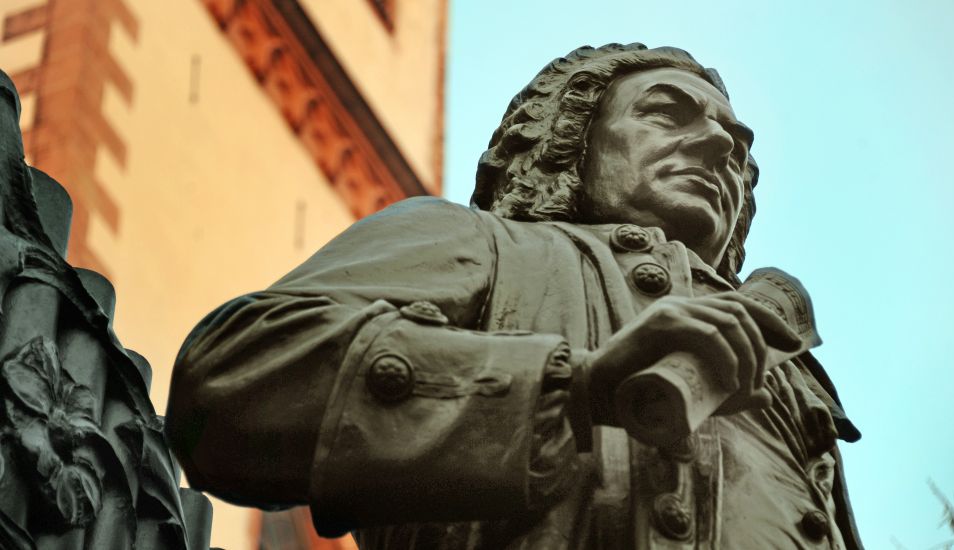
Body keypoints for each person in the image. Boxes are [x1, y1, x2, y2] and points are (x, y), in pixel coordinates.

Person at [166, 44, 863, 549]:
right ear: (573, 139)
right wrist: (576, 391)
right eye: (668, 113)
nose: (718, 146)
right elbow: (233, 379)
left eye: (738, 145)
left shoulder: (790, 376)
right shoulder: (483, 243)